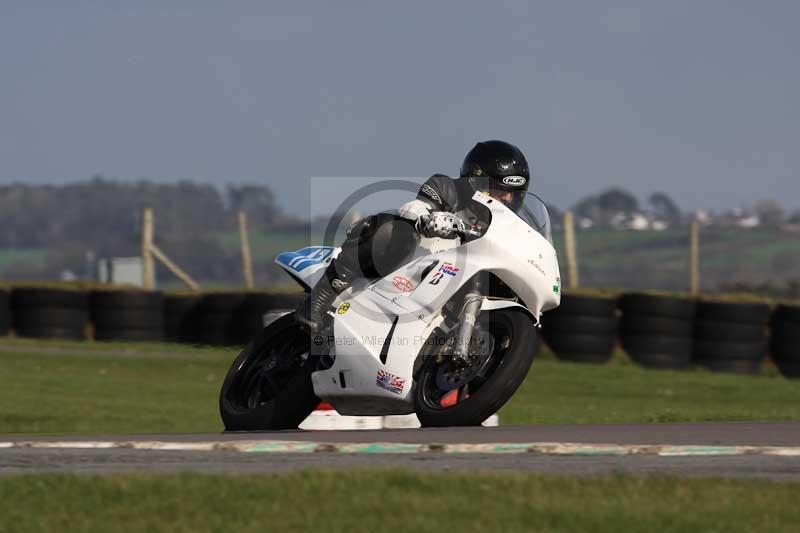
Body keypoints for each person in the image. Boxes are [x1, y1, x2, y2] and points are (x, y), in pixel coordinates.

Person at [296, 139, 532, 333]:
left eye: (512, 193)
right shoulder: (447, 187)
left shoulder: (509, 226)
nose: (507, 199)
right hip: (405, 266)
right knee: (395, 230)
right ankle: (322, 296)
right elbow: (415, 206)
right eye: (499, 189)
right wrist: (427, 218)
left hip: (445, 287)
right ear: (474, 180)